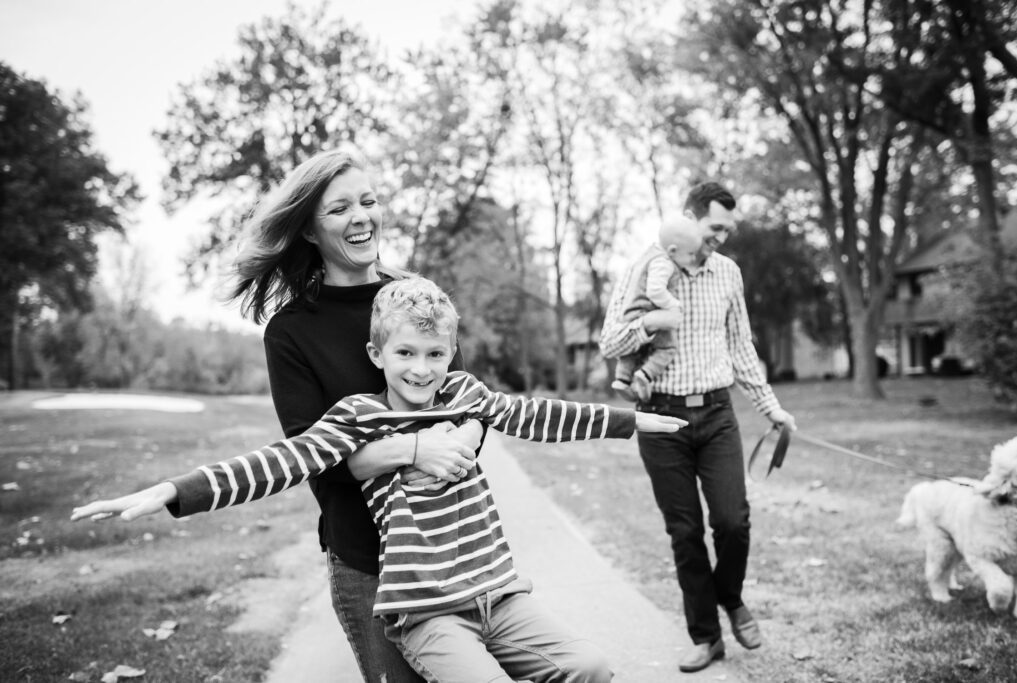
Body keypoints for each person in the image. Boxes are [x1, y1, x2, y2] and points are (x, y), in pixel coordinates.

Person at [72, 276, 687, 683]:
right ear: (377, 355)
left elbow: (541, 414)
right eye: (406, 354)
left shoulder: (466, 396)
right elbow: (280, 462)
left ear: (450, 354)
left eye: (434, 354)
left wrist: (630, 422)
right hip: (427, 613)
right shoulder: (359, 417)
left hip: (499, 596)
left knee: (591, 668)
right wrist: (174, 491)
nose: (421, 369)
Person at [118, 148, 482, 682]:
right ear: (310, 230)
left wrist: (464, 436)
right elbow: (314, 459)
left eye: (369, 201)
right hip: (365, 562)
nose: (361, 217)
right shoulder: (292, 332)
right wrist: (415, 448)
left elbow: (470, 405)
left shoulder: (415, 299)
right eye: (339, 209)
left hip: (449, 552)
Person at [599, 181, 797, 674]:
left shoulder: (727, 272)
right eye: (715, 229)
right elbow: (609, 342)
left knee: (733, 520)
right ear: (688, 219)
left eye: (729, 230)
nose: (723, 239)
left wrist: (770, 407)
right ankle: (705, 636)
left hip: (716, 413)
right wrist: (653, 320)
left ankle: (730, 597)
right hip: (660, 418)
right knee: (684, 532)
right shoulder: (647, 267)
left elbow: (741, 345)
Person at [610, 215, 702, 402]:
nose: (694, 258)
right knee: (667, 348)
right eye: (691, 254)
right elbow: (655, 291)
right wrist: (674, 305)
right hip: (648, 312)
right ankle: (645, 375)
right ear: (673, 250)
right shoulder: (664, 263)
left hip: (632, 312)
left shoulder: (648, 255)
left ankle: (622, 378)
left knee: (635, 350)